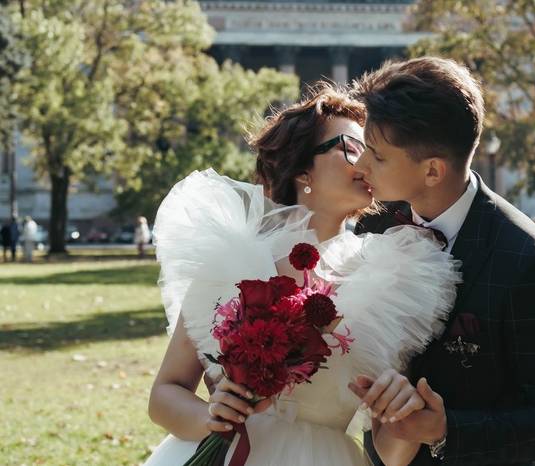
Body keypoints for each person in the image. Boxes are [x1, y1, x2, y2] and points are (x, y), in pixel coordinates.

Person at [144, 84, 462, 466]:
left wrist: (401, 414)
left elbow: (391, 455)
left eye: (373, 153)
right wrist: (209, 416)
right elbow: (166, 393)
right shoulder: (232, 257)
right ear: (301, 168)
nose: (364, 165)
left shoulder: (391, 280)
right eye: (351, 147)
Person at [349, 57, 535, 465]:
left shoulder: (530, 261)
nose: (360, 165)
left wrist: (444, 430)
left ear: (433, 171)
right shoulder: (374, 228)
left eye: (377, 155)